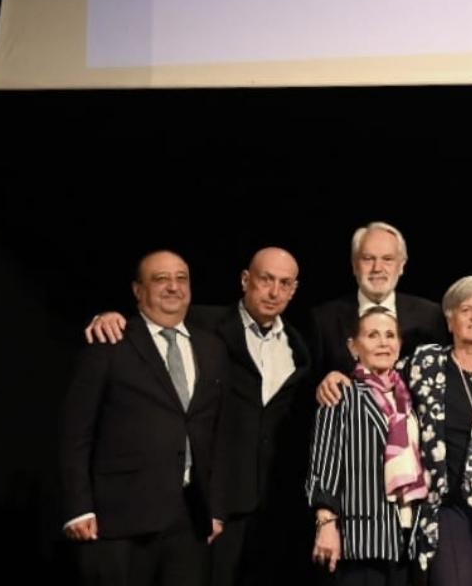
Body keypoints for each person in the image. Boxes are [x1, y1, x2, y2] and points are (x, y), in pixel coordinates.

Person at [83, 247, 316, 585]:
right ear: (245, 280)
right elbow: (154, 319)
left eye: (284, 283)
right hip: (214, 503)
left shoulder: (301, 342)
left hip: (276, 502)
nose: (274, 291)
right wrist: (107, 316)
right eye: (266, 279)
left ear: (294, 288)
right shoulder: (202, 323)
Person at [59, 251, 228, 586]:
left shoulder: (211, 347)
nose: (173, 287)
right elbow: (75, 433)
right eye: (160, 279)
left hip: (190, 520)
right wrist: (78, 507)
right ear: (138, 290)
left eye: (181, 278)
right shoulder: (109, 341)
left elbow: (218, 433)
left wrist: (216, 508)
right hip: (119, 521)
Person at [306, 306, 426, 583]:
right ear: (353, 347)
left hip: (406, 536)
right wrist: (326, 523)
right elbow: (325, 465)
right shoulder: (341, 393)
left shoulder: (411, 398)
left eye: (389, 335)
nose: (383, 342)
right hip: (361, 538)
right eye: (372, 335)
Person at [310, 222, 448, 378]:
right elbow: (310, 385)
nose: (377, 268)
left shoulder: (430, 316)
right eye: (368, 259)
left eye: (387, 259)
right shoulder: (324, 319)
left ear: (401, 265)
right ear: (355, 265)